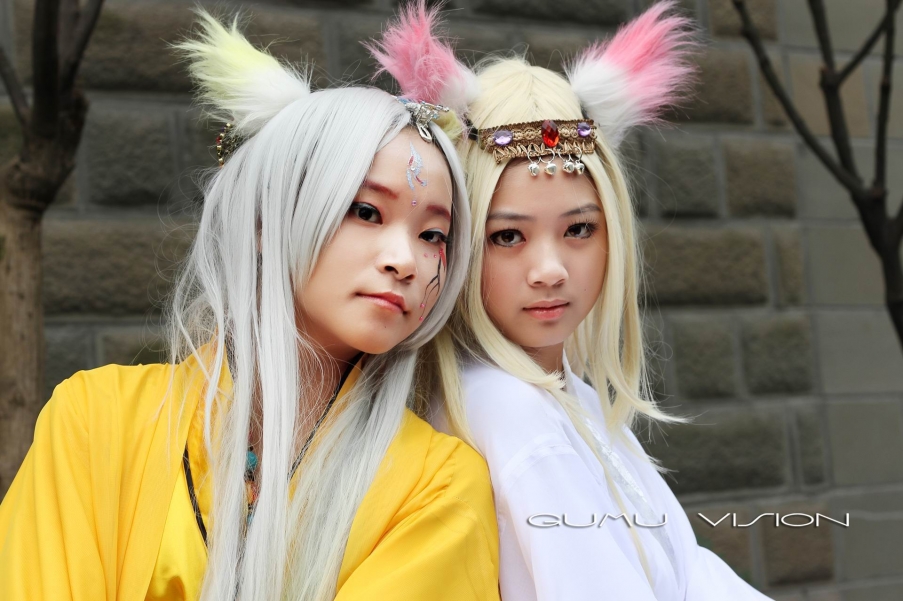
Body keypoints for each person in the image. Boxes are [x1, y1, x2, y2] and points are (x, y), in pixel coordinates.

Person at [0, 10, 500, 601]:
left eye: (434, 234)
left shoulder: (439, 484)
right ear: (266, 220)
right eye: (365, 211)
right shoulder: (95, 419)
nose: (405, 260)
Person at [369, 2, 776, 599]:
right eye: (507, 236)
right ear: (456, 241)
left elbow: (690, 571)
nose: (550, 271)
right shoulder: (508, 408)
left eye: (579, 229)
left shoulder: (561, 393)